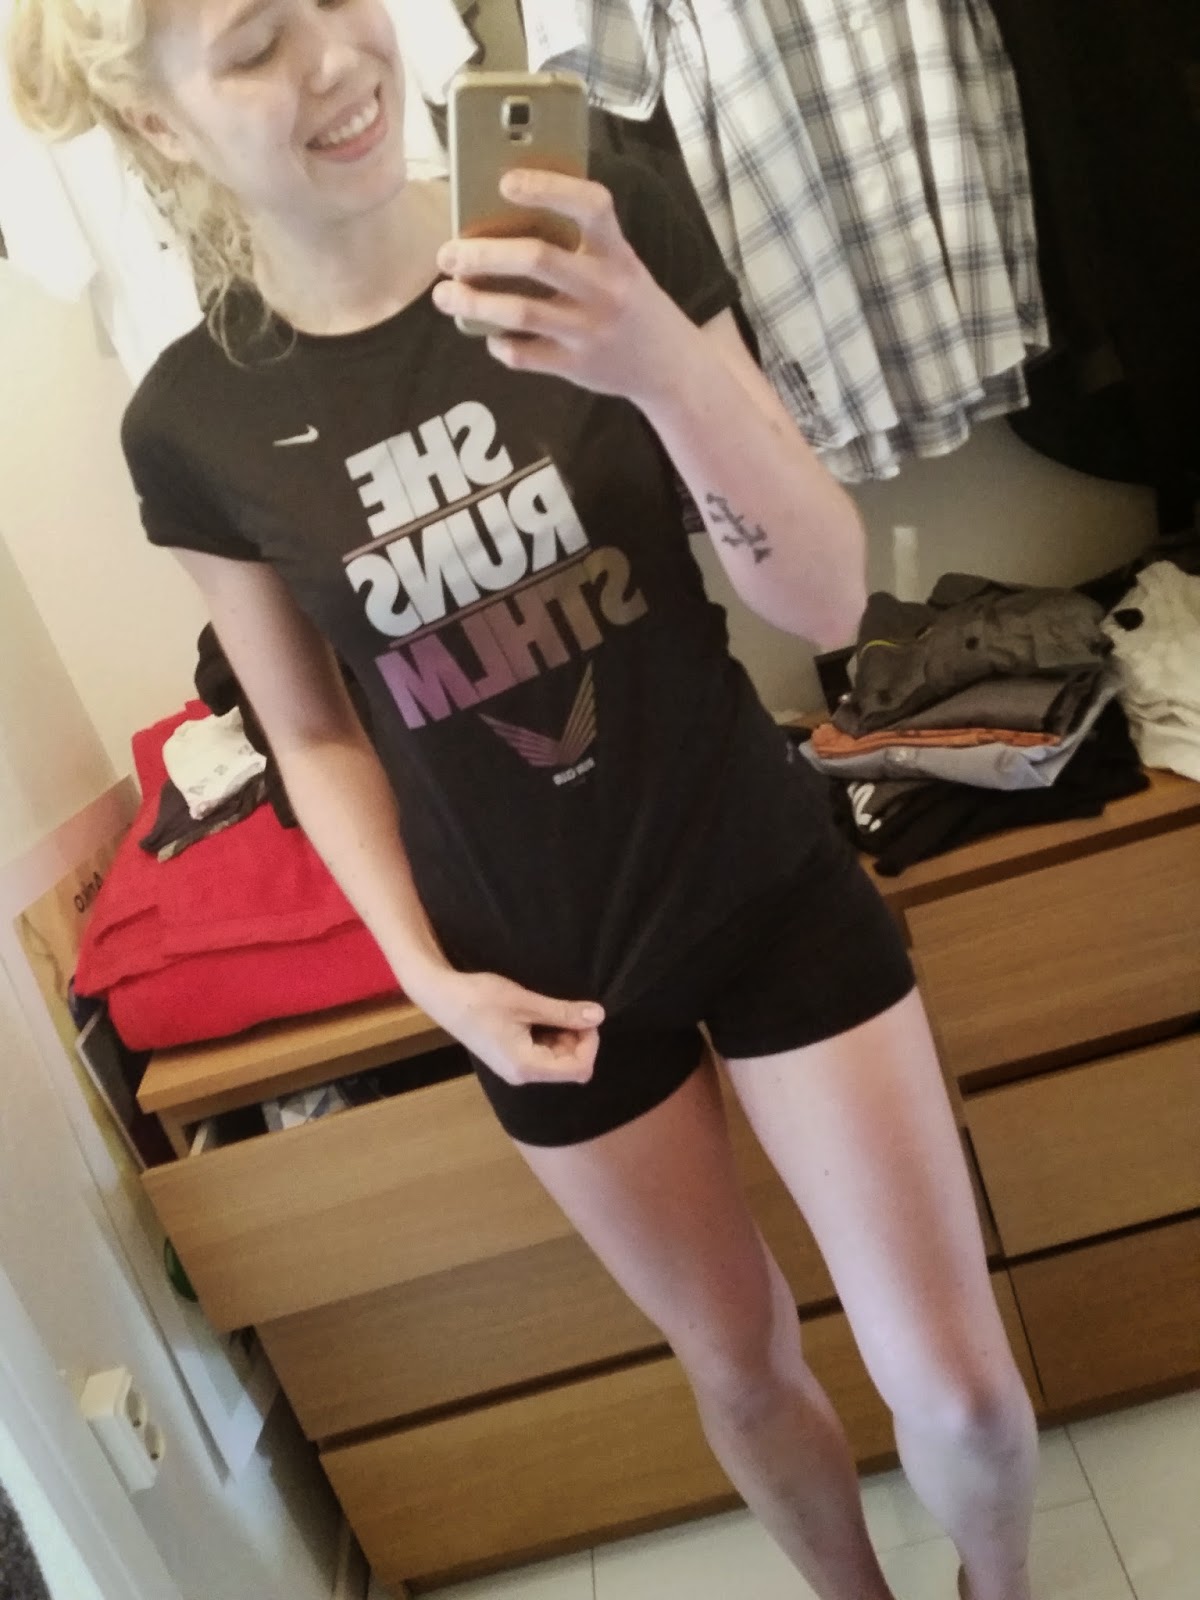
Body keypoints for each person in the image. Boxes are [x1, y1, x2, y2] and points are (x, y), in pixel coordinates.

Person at [7, 4, 1038, 1597]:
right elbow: (313, 734)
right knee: (740, 1368)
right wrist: (429, 980)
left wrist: (655, 359)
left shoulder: (592, 205)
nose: (336, 59)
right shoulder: (192, 425)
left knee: (958, 1393)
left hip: (759, 875)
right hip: (535, 976)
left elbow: (829, 598)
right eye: (257, 45)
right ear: (157, 123)